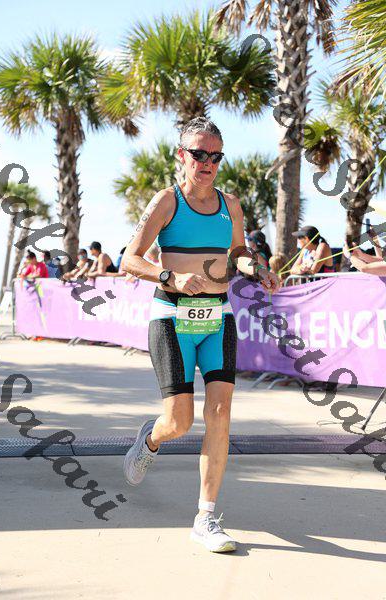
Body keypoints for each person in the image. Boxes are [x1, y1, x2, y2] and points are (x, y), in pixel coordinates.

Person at [121, 116, 280, 553]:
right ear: (182, 155)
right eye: (199, 154)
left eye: (215, 156)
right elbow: (130, 259)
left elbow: (238, 252)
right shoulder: (166, 202)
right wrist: (169, 276)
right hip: (172, 318)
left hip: (218, 316)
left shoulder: (231, 204)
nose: (207, 163)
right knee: (179, 422)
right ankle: (150, 439)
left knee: (220, 412)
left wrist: (256, 268)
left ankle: (205, 517)